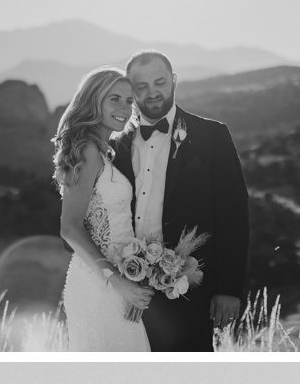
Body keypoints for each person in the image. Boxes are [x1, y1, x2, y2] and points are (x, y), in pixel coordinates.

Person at [112, 50, 250, 353]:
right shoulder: (114, 144)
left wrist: (228, 289)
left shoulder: (212, 136)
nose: (152, 92)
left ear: (174, 80)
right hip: (126, 291)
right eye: (141, 86)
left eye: (159, 82)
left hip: (189, 290)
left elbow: (233, 215)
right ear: (130, 90)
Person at [53, 67, 153, 352]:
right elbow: (69, 228)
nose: (124, 108)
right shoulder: (86, 149)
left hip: (119, 282)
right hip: (101, 285)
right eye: (114, 99)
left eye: (129, 101)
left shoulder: (103, 151)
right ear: (94, 100)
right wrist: (117, 281)